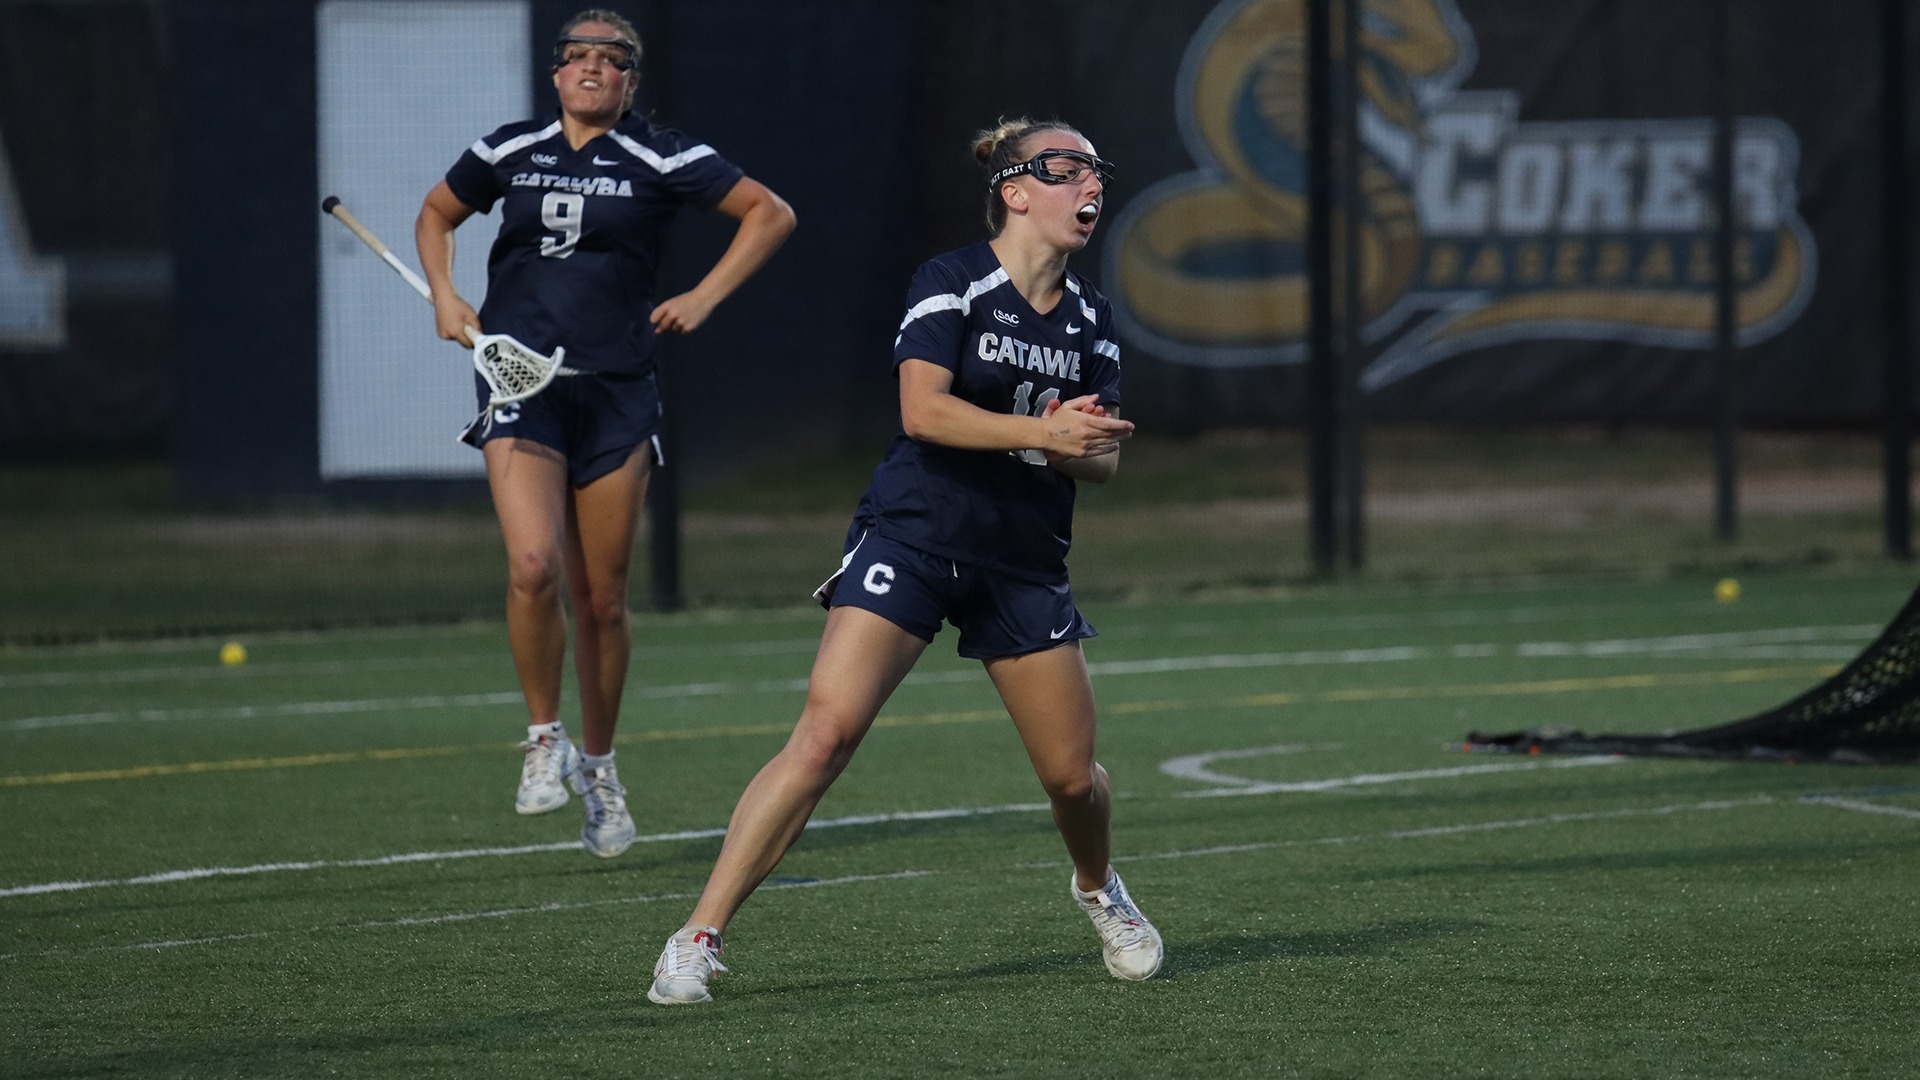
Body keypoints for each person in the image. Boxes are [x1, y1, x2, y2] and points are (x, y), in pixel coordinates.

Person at [646, 117, 1161, 1004]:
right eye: (1068, 169)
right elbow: (924, 414)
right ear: (1015, 188)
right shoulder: (952, 282)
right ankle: (697, 935)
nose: (1092, 186)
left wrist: (1081, 440)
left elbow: (1102, 461)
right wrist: (1046, 431)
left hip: (1023, 557)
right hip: (915, 533)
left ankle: (1098, 888)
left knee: (1073, 779)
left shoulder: (1092, 319)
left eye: (1096, 172)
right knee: (825, 733)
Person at [414, 9, 795, 858]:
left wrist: (703, 295)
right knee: (533, 565)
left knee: (603, 597)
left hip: (617, 391)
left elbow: (770, 214)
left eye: (611, 59)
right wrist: (444, 294)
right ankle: (543, 737)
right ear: (555, 74)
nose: (591, 68)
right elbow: (436, 215)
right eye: (577, 56)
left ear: (631, 79)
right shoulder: (508, 150)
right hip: (521, 386)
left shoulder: (663, 155)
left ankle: (600, 763)